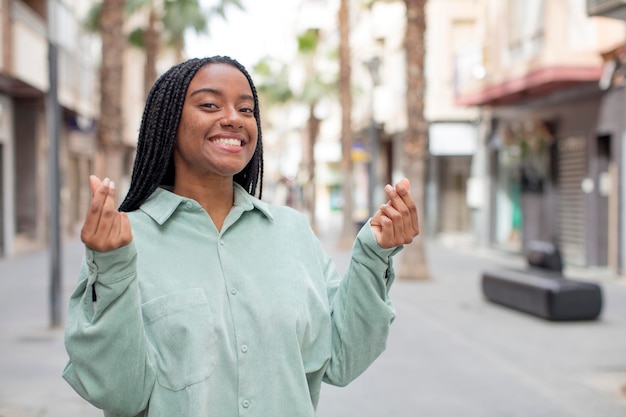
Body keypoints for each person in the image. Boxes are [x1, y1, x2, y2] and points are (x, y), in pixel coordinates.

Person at [62, 55, 419, 417]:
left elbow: (342, 358)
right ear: (168, 122)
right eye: (209, 104)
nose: (233, 118)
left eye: (246, 109)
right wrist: (111, 268)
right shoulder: (125, 242)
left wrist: (373, 255)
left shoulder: (292, 232)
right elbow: (117, 392)